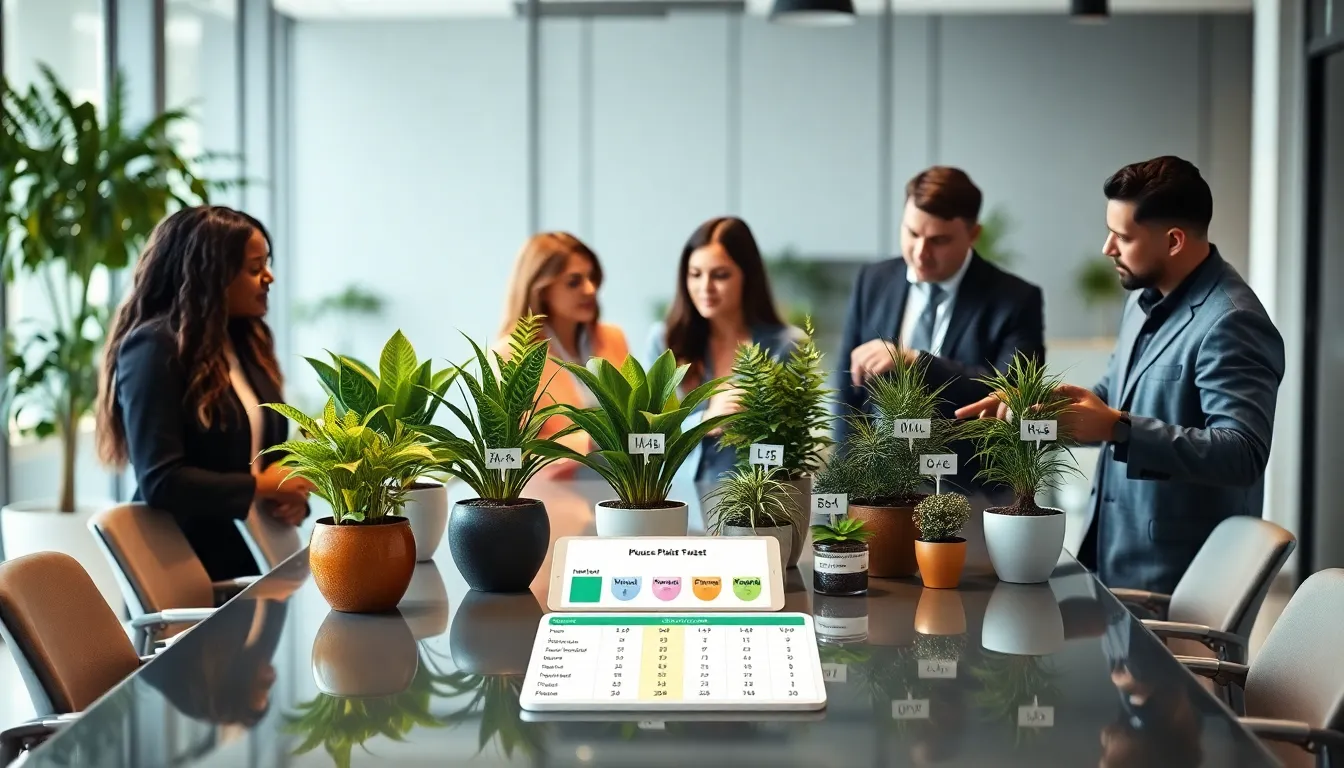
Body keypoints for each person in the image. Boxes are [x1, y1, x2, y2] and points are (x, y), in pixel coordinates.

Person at [957, 156, 1285, 594]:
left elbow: (1242, 453)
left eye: (1123, 236)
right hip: (1112, 559)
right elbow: (1112, 398)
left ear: (1173, 241)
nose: (1107, 247)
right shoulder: (1142, 299)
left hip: (1181, 583)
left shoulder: (1232, 321)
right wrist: (1036, 410)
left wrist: (1119, 429)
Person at [96, 206, 314, 581]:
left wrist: (290, 501)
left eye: (267, 263)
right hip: (189, 571)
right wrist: (262, 487)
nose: (269, 277)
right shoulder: (153, 348)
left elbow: (262, 460)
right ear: (210, 276)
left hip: (259, 563)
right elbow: (162, 481)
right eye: (253, 268)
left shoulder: (246, 342)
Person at [836, 166, 1045, 484]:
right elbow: (846, 394)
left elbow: (1011, 393)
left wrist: (915, 362)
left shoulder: (1015, 299)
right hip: (878, 488)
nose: (920, 253)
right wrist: (844, 482)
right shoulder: (873, 281)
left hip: (971, 488)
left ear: (973, 234)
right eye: (912, 233)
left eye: (939, 240)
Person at [646, 216, 804, 482]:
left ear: (748, 276)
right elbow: (647, 435)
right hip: (673, 499)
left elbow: (796, 442)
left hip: (755, 504)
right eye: (695, 274)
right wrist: (706, 420)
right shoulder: (664, 340)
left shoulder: (786, 345)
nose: (705, 287)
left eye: (720, 275)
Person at [495, 232, 630, 479]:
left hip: (622, 490)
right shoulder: (512, 354)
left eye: (592, 278)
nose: (590, 289)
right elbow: (506, 456)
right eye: (573, 282)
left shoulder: (613, 338)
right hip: (550, 496)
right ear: (541, 289)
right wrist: (588, 442)